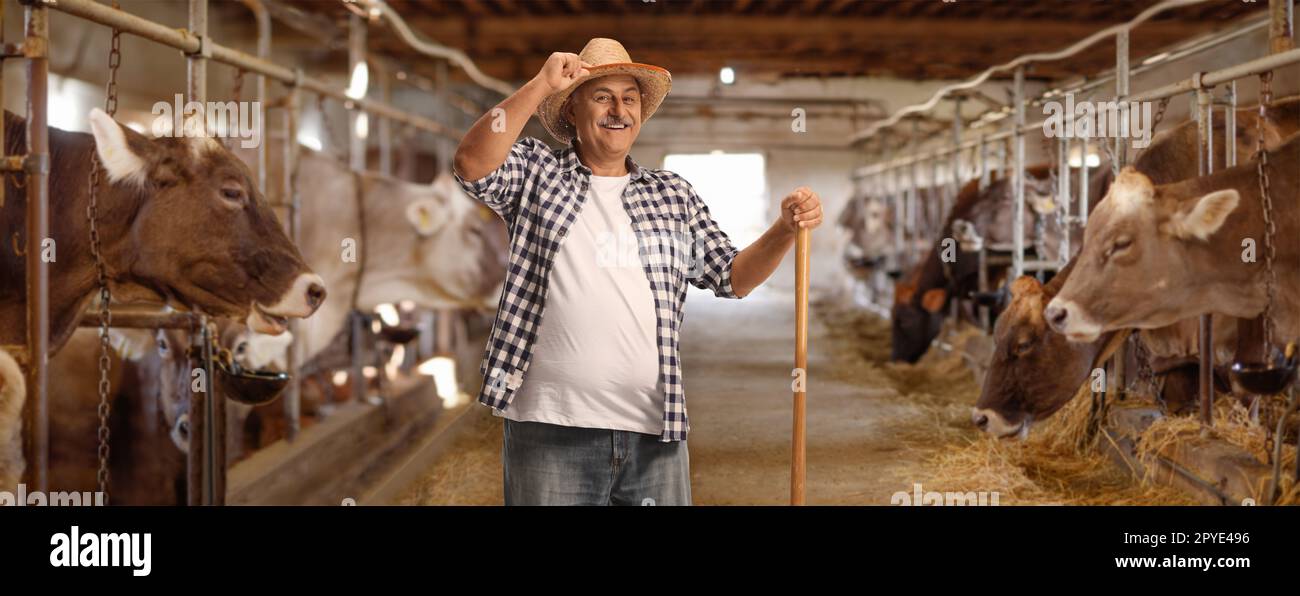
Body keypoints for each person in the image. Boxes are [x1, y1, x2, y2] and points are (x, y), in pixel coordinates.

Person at [453, 38, 823, 505]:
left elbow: (733, 277)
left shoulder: (672, 195)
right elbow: (471, 164)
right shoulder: (537, 174)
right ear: (571, 111)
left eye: (630, 99)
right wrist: (542, 83)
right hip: (550, 429)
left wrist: (784, 230)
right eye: (602, 96)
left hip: (654, 432)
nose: (618, 110)